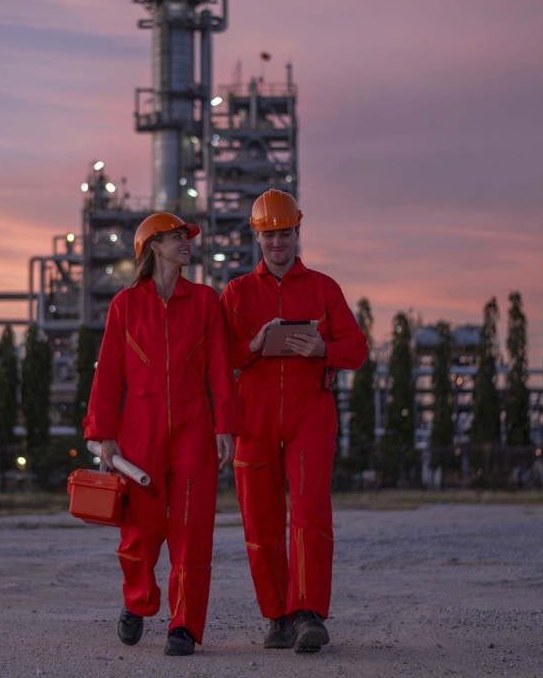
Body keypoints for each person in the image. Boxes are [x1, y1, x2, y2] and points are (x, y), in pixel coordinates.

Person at [82, 211, 239, 657]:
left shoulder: (207, 300)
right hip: (140, 431)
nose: (187, 242)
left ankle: (184, 627)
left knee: (192, 531)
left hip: (194, 426)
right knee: (139, 533)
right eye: (176, 237)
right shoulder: (125, 305)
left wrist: (225, 424)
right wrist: (104, 435)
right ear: (152, 246)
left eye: (187, 237)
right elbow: (109, 375)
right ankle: (137, 602)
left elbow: (219, 370)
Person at [220, 189, 368, 654]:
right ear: (256, 235)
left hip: (310, 415)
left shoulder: (325, 289)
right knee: (260, 520)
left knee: (309, 514)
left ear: (297, 231)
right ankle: (277, 618)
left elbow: (358, 349)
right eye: (269, 234)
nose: (278, 243)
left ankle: (308, 614)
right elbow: (218, 358)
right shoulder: (238, 293)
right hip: (254, 417)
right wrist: (254, 346)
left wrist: (324, 348)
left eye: (285, 233)